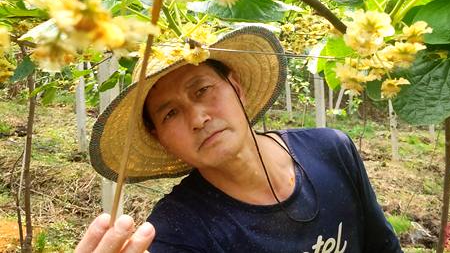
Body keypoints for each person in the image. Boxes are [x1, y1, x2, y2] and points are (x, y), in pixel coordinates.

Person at [77, 26, 403, 253]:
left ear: (237, 87)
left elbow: (383, 247)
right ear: (159, 138)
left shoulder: (333, 149)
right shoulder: (177, 229)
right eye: (170, 114)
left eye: (203, 90)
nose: (198, 118)